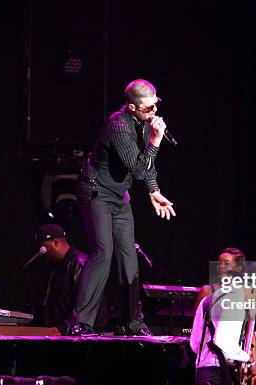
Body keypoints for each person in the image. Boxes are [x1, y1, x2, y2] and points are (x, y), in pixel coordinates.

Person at [67, 79, 176, 336]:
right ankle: (80, 321)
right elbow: (138, 169)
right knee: (103, 254)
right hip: (96, 192)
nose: (154, 113)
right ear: (131, 107)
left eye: (155, 106)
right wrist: (155, 141)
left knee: (129, 259)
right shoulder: (118, 125)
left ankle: (132, 322)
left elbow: (143, 168)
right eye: (148, 109)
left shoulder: (141, 122)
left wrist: (154, 190)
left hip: (119, 196)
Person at [190, 248, 256, 385]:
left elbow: (194, 344)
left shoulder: (224, 297)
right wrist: (250, 362)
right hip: (217, 371)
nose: (220, 266)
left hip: (211, 370)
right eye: (220, 262)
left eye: (226, 263)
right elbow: (222, 342)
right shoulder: (220, 294)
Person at [35, 224, 88, 333]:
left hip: (79, 337)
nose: (42, 254)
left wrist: (61, 329)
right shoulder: (55, 268)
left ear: (55, 243)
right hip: (63, 333)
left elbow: (85, 306)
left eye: (44, 248)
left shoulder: (80, 263)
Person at [194, 247, 247, 311]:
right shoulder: (207, 291)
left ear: (239, 268)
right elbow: (197, 319)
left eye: (226, 263)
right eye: (219, 263)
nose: (221, 266)